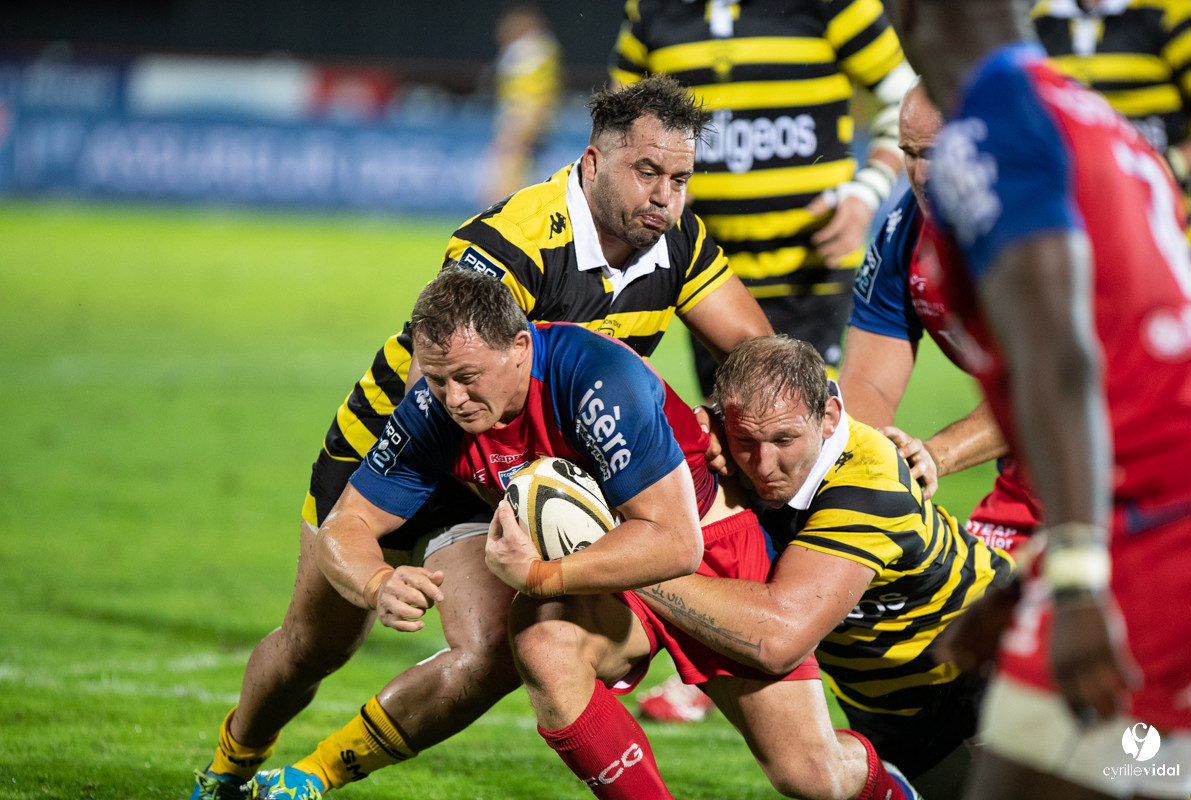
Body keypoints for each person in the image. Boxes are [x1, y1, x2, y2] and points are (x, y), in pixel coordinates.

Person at [189, 74, 772, 800]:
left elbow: (754, 347)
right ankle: (228, 767)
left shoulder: (675, 240)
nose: (664, 195)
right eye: (646, 171)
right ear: (592, 164)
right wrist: (376, 575)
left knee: (495, 649)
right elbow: (438, 397)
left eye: (679, 178)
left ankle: (312, 779)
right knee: (312, 647)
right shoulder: (508, 246)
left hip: (507, 468)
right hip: (399, 451)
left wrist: (731, 415)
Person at [268, 269, 921, 800]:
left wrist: (544, 575)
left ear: (521, 347)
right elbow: (347, 525)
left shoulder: (595, 379)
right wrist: (379, 580)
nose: (454, 398)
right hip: (610, 570)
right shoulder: (433, 411)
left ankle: (891, 793)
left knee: (811, 776)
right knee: (544, 643)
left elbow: (673, 544)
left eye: (469, 378)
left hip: (707, 549)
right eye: (437, 380)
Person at [892, 1, 1191, 798]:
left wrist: (1075, 574)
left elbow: (1062, 357)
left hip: (1156, 530)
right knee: (1124, 773)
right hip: (1150, 511)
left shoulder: (994, 130)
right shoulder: (1091, 117)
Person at [597, 334, 1014, 800]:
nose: (764, 464)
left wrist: (634, 565)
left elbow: (779, 639)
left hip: (991, 661)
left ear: (830, 416)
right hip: (883, 705)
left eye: (784, 439)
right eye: (745, 440)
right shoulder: (726, 445)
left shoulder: (870, 482)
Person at [609, 0, 917, 395]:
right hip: (705, 274)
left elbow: (907, 99)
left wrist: (867, 191)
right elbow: (617, 126)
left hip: (812, 268)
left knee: (811, 431)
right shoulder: (650, 9)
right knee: (739, 432)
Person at [840, 80, 1041, 554]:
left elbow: (1049, 382)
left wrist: (936, 453)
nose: (921, 172)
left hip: (1138, 444)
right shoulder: (901, 235)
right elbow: (869, 386)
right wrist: (860, 466)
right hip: (1038, 459)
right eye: (910, 152)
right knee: (984, 611)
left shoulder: (1041, 227)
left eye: (937, 152)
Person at [1031, 0, 1191, 250]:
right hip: (1079, 243)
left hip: (1173, 239)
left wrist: (1166, 166)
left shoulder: (1172, 15)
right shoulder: (1037, 24)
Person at [481, 1, 563, 204]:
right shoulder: (530, 51)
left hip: (521, 124)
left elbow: (537, 96)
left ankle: (501, 227)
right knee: (514, 179)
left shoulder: (531, 52)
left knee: (505, 181)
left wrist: (523, 128)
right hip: (522, 124)